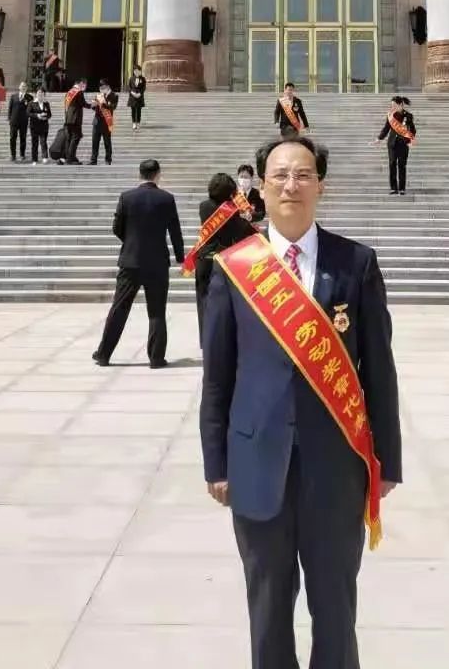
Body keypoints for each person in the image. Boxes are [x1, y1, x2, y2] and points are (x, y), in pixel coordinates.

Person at [200, 133, 402, 669]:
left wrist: (387, 461)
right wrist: (216, 462)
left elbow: (379, 372)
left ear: (320, 187)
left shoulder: (355, 263)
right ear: (261, 189)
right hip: (254, 463)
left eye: (303, 175)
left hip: (336, 466)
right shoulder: (233, 268)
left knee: (335, 606)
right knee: (267, 606)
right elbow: (217, 378)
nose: (292, 184)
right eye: (281, 175)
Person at [92, 157, 184, 370]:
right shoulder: (166, 199)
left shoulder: (127, 197)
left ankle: (104, 354)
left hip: (131, 261)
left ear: (139, 174)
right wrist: (180, 257)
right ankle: (156, 358)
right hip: (157, 262)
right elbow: (175, 231)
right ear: (157, 175)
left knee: (119, 308)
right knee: (157, 311)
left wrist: (131, 241)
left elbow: (117, 227)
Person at [188, 171, 257, 343]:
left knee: (203, 300)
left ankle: (205, 340)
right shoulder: (230, 211)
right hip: (222, 260)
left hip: (204, 259)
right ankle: (220, 338)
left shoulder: (203, 206)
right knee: (223, 302)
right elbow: (241, 231)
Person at [377, 94, 417, 197]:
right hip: (392, 144)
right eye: (392, 105)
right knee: (392, 165)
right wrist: (379, 138)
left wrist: (411, 139)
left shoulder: (408, 116)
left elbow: (412, 130)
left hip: (403, 144)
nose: (392, 107)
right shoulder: (391, 116)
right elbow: (386, 128)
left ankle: (402, 188)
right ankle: (393, 188)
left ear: (401, 104)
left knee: (402, 166)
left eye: (394, 105)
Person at [90, 81, 118, 166]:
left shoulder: (114, 95)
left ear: (107, 87)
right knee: (95, 142)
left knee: (107, 142)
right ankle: (93, 160)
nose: (101, 89)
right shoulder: (98, 95)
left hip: (106, 122)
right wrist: (94, 104)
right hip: (97, 122)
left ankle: (108, 160)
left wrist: (103, 103)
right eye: (100, 88)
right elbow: (93, 107)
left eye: (103, 88)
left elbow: (113, 107)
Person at [63, 78, 86, 165]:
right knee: (76, 138)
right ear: (80, 83)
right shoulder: (78, 92)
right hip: (75, 119)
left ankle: (70, 157)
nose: (84, 86)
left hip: (69, 119)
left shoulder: (69, 92)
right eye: (83, 84)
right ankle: (70, 159)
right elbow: (83, 103)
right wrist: (92, 105)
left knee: (69, 139)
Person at [8, 82, 31, 162]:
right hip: (14, 121)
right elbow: (10, 108)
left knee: (23, 138)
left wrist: (30, 120)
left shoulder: (29, 97)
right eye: (22, 86)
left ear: (27, 88)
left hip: (24, 121)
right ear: (19, 87)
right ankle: (13, 155)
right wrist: (9, 119)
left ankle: (22, 155)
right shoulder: (13, 96)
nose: (23, 87)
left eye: (25, 86)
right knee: (12, 138)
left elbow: (31, 109)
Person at [29, 88, 51, 164]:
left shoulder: (46, 103)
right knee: (34, 143)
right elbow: (28, 113)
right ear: (36, 94)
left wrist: (46, 116)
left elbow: (49, 114)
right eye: (38, 93)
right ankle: (34, 159)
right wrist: (37, 115)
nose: (40, 94)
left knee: (43, 142)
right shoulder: (32, 103)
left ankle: (44, 157)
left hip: (44, 126)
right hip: (34, 126)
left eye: (41, 93)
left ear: (44, 95)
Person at [127, 64, 146, 132]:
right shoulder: (131, 78)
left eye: (138, 71)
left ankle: (138, 123)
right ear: (134, 71)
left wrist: (139, 94)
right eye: (135, 71)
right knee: (133, 111)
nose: (137, 72)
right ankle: (134, 123)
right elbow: (129, 87)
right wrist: (132, 93)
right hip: (132, 97)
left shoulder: (143, 79)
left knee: (139, 111)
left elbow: (144, 88)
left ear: (140, 71)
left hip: (139, 97)